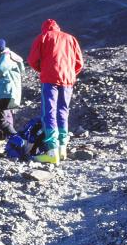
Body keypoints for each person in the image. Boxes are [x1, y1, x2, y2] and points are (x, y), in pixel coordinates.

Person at [27, 19, 84, 164]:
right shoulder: (71, 38)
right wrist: (70, 73)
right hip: (68, 81)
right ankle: (62, 149)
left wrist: (44, 69)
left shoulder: (43, 37)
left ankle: (52, 152)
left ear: (44, 28)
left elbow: (33, 60)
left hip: (50, 80)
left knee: (49, 112)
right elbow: (79, 63)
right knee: (63, 111)